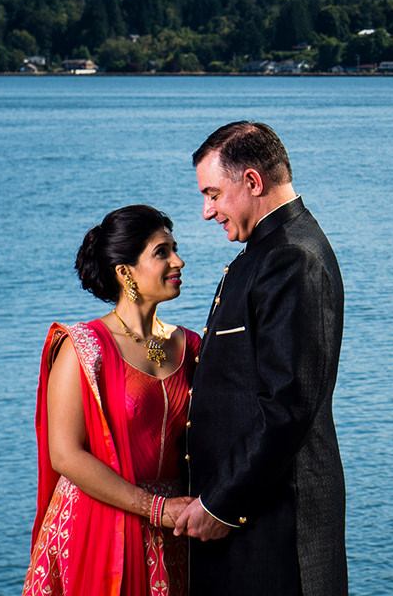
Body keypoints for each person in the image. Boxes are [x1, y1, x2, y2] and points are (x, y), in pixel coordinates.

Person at [171, 121, 347, 596]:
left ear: (252, 181)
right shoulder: (266, 252)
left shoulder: (292, 258)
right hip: (253, 519)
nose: (206, 211)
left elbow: (287, 404)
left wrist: (221, 505)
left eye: (213, 193)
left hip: (276, 527)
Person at [23, 205, 202, 596]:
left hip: (175, 535)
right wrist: (155, 508)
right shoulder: (83, 349)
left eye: (175, 248)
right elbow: (66, 455)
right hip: (98, 530)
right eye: (162, 252)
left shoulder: (188, 345)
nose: (178, 260)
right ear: (125, 273)